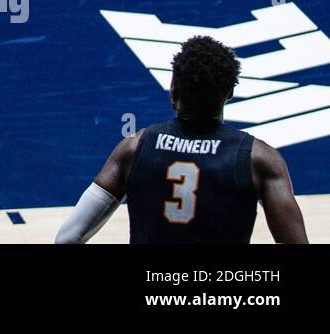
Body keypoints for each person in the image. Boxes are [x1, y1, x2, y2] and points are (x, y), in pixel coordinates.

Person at [55, 35, 308, 244]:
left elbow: (67, 238)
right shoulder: (259, 159)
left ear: (173, 86)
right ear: (229, 93)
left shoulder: (134, 148)